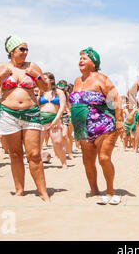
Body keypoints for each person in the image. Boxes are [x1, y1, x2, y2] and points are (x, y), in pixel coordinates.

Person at [0, 36, 50, 202]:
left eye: (27, 49)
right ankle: (19, 190)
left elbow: (46, 88)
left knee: (35, 154)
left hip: (31, 113)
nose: (25, 52)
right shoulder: (1, 67)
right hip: (8, 114)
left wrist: (37, 77)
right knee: (15, 154)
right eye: (22, 49)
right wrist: (0, 76)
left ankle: (43, 192)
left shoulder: (32, 66)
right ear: (11, 51)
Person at [70, 47, 124, 205]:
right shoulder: (77, 81)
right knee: (87, 161)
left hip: (104, 125)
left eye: (84, 58)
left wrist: (119, 120)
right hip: (83, 128)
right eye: (79, 58)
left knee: (104, 158)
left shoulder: (102, 79)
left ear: (94, 63)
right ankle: (94, 190)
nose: (81, 60)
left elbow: (116, 100)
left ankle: (110, 191)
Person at [39, 72, 68, 168]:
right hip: (41, 118)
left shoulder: (58, 92)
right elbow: (36, 105)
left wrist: (56, 119)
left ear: (51, 80)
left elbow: (62, 106)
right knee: (38, 143)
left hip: (54, 118)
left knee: (57, 142)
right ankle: (37, 163)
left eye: (45, 78)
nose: (43, 80)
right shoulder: (40, 91)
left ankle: (64, 163)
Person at [56, 80, 74, 159]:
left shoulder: (66, 94)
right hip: (56, 116)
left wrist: (69, 112)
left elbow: (67, 105)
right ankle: (58, 153)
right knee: (57, 137)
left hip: (65, 115)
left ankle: (70, 153)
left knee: (65, 135)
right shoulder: (55, 93)